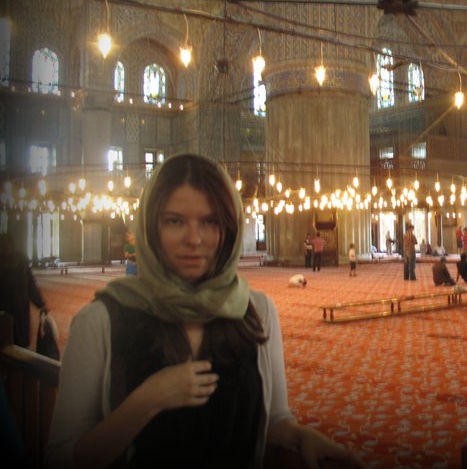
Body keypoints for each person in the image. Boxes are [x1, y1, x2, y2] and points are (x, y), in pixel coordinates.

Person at [46, 153, 362, 469]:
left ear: (228, 229)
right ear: (149, 227)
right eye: (174, 221)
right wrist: (147, 400)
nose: (193, 239)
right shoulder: (100, 322)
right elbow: (61, 457)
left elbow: (275, 419)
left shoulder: (257, 312)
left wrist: (297, 437)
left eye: (209, 222)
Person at [0, 233, 48, 348]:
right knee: (5, 343)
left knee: (21, 341)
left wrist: (40, 304)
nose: (6, 247)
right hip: (4, 311)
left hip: (20, 309)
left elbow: (30, 285)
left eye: (8, 244)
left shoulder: (21, 261)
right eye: (3, 245)